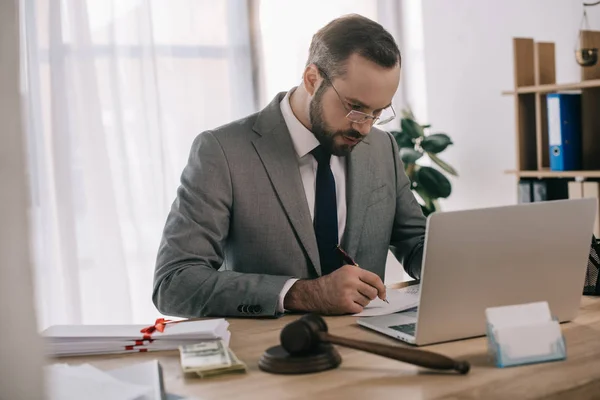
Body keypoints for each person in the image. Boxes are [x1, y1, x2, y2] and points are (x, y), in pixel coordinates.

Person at [153, 14, 426, 318]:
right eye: (355, 108)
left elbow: (416, 243)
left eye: (377, 112)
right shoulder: (221, 153)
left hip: (373, 352)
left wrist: (461, 263)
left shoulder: (381, 147)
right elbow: (174, 282)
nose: (364, 128)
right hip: (271, 355)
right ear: (312, 79)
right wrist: (303, 294)